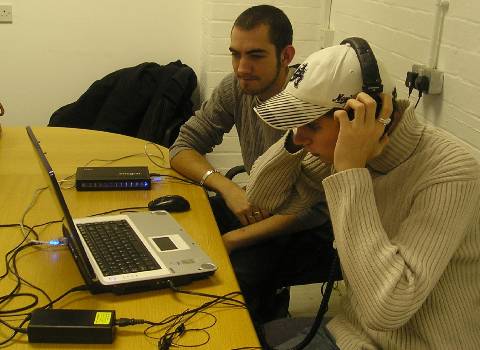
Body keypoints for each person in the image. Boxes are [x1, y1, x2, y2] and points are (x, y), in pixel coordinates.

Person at [247, 41, 480, 349]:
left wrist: (348, 172)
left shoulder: (451, 172)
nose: (301, 137)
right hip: (351, 333)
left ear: (363, 119)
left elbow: (387, 308)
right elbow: (262, 198)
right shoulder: (344, 149)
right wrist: (294, 140)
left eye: (312, 126)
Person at [170, 5, 339, 323]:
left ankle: (245, 331)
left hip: (310, 225)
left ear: (286, 55)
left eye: (256, 55)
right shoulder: (235, 88)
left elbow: (316, 208)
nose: (242, 68)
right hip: (260, 201)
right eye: (236, 54)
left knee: (234, 279)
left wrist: (233, 240)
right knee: (184, 223)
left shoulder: (316, 102)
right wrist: (227, 187)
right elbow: (182, 148)